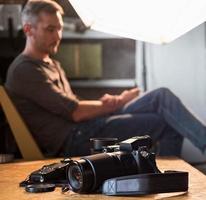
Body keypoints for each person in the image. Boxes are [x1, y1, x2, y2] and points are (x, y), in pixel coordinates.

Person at [5, 0, 206, 158]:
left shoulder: (52, 64)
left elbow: (75, 106)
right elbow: (75, 112)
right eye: (50, 29)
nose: (58, 35)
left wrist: (112, 101)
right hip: (73, 140)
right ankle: (167, 180)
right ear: (28, 30)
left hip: (85, 128)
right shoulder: (25, 70)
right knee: (165, 122)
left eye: (59, 28)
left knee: (161, 97)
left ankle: (175, 168)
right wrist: (117, 102)